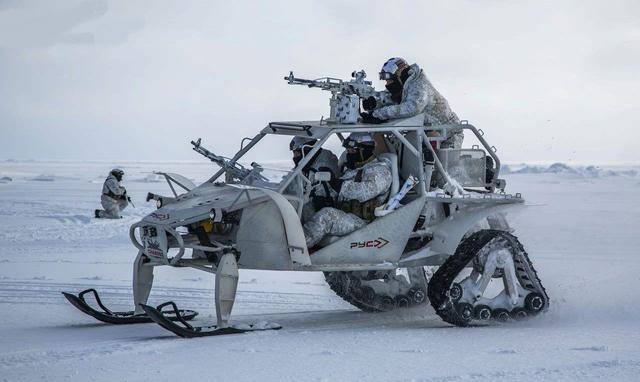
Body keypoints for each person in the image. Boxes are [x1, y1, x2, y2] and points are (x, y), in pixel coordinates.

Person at [303, 133, 392, 248]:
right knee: (306, 207)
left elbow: (362, 193)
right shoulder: (354, 169)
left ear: (364, 150)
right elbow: (339, 191)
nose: (348, 154)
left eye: (352, 151)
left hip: (362, 221)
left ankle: (297, 250)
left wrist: (335, 182)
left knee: (326, 216)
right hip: (345, 213)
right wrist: (322, 197)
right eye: (348, 151)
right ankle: (284, 240)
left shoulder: (380, 171)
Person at [360, 57, 463, 149]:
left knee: (438, 167)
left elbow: (412, 108)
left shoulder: (419, 85)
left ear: (400, 76)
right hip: (430, 133)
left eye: (390, 80)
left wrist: (379, 114)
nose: (387, 84)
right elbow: (389, 97)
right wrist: (373, 101)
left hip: (448, 135)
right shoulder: (406, 86)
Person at [289, 136, 339, 222]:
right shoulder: (305, 164)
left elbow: (320, 189)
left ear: (307, 151)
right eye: (294, 153)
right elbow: (291, 181)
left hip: (323, 210)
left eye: (297, 153)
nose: (295, 157)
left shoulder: (324, 162)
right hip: (306, 203)